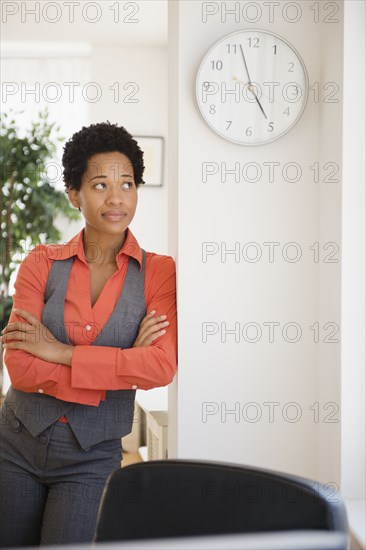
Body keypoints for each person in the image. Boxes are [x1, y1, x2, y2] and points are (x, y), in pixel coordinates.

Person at [0, 121, 177, 547]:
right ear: (74, 195)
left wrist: (58, 351)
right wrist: (118, 367)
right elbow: (21, 367)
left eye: (127, 183)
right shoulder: (41, 263)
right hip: (15, 447)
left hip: (92, 457)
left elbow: (159, 366)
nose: (116, 197)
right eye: (100, 184)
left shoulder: (158, 271)